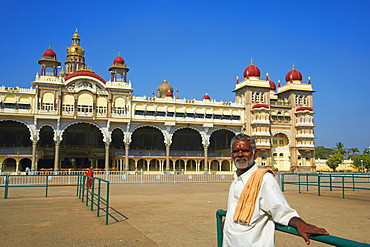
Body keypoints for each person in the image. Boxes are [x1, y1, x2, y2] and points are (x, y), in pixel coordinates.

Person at [223, 133, 328, 246]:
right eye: (235, 152)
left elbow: (280, 210)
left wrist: (300, 224)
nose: (240, 155)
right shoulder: (237, 179)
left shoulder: (264, 179)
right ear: (231, 155)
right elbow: (235, 207)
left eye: (245, 151)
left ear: (255, 154)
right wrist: (228, 221)